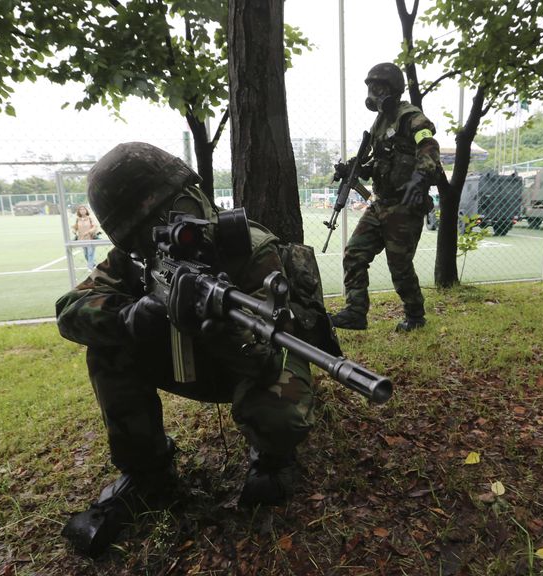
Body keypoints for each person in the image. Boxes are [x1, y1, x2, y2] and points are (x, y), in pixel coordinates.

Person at [55, 142, 335, 557]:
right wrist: (133, 316)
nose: (170, 227)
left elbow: (268, 354)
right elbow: (69, 311)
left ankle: (271, 455)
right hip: (188, 361)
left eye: (176, 208)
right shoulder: (134, 261)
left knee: (280, 414)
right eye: (149, 225)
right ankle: (148, 471)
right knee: (107, 349)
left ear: (197, 195)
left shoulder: (251, 249)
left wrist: (219, 331)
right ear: (133, 237)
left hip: (246, 361)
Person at [329, 62, 441, 332]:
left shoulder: (409, 116)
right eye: (370, 87)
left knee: (399, 266)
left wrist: (418, 179)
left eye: (377, 87)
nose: (373, 93)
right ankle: (356, 312)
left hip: (405, 206)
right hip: (380, 204)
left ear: (392, 89)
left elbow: (429, 145)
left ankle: (415, 316)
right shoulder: (379, 122)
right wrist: (353, 169)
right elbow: (378, 164)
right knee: (354, 253)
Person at [71, 204, 100, 270]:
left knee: (90, 254)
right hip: (82, 239)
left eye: (83, 209)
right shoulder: (78, 219)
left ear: (86, 210)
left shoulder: (90, 218)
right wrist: (74, 231)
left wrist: (88, 232)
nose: (82, 211)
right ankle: (92, 264)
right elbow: (75, 227)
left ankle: (90, 268)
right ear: (79, 211)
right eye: (80, 209)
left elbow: (95, 226)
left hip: (90, 239)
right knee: (86, 255)